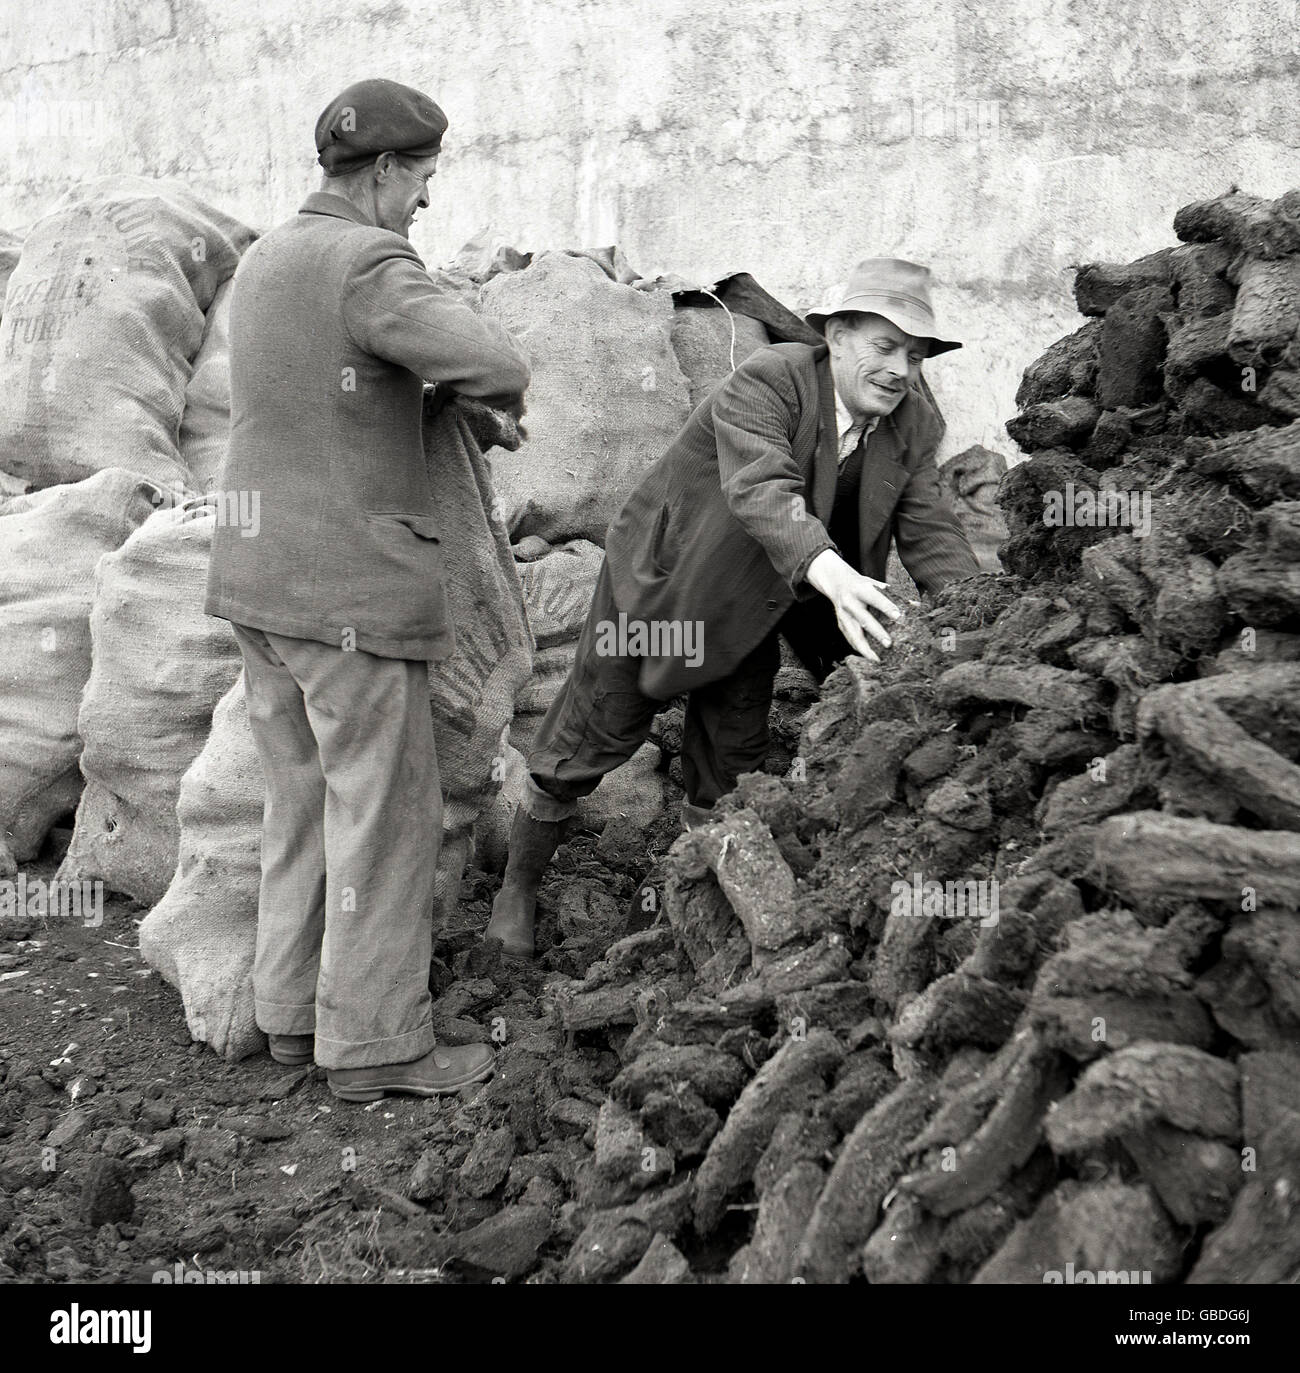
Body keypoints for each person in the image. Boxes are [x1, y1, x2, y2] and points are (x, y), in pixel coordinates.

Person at [483, 258, 979, 959]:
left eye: (914, 354)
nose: (901, 369)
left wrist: (976, 622)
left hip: (767, 608)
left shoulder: (914, 420)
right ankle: (518, 888)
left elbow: (931, 531)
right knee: (587, 737)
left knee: (734, 765)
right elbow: (761, 487)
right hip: (671, 589)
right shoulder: (768, 381)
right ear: (836, 336)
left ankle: (684, 913)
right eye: (885, 346)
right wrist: (829, 569)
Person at [205, 78, 530, 1100]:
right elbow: (493, 356)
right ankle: (380, 1046)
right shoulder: (370, 260)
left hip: (258, 583)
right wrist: (476, 396)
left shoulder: (265, 256)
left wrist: (421, 399)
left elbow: (322, 394)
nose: (428, 198)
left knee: (300, 802)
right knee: (386, 816)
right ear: (385, 171)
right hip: (348, 593)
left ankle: (291, 1017)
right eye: (424, 177)